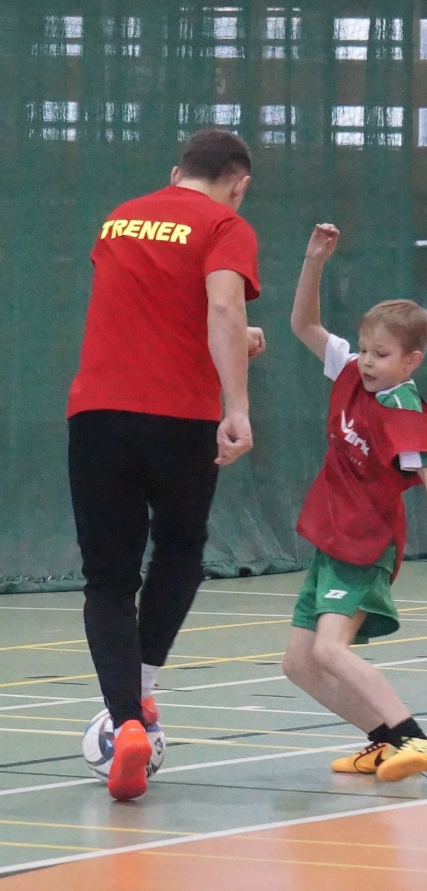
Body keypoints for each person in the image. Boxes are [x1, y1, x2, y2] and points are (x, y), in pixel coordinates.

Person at [67, 128, 263, 801]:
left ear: (176, 172)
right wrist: (237, 405)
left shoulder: (120, 218)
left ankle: (126, 722)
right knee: (180, 549)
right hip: (178, 417)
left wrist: (237, 338)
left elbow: (156, 308)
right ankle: (145, 687)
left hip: (97, 414)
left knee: (107, 577)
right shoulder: (225, 225)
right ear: (238, 184)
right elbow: (221, 304)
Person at [282, 223, 427, 783]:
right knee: (298, 663)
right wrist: (314, 262)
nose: (367, 361)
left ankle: (415, 737)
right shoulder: (350, 371)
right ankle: (386, 742)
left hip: (365, 546)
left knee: (328, 652)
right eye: (365, 349)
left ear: (411, 360)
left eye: (381, 354)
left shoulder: (404, 413)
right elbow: (304, 325)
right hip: (331, 539)